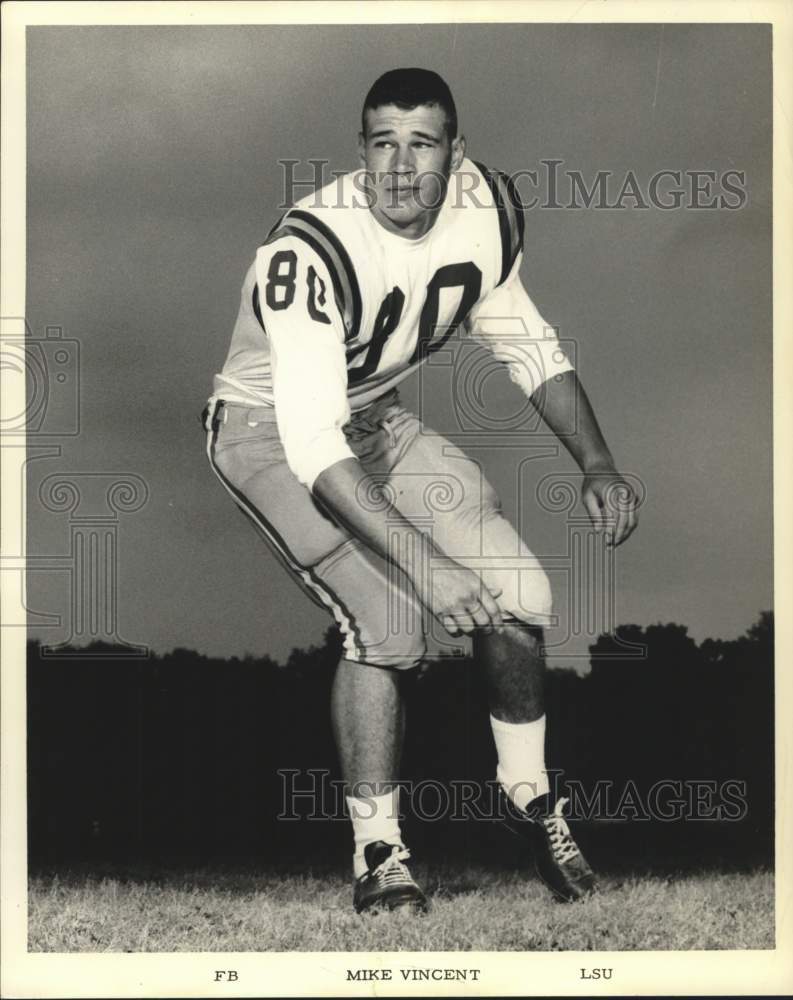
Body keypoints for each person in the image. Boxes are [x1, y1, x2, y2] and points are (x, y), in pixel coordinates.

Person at [203, 68, 639, 914]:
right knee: (392, 625)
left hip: (371, 421)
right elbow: (313, 446)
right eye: (381, 143)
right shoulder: (307, 247)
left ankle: (527, 797)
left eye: (422, 142)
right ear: (360, 151)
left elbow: (528, 345)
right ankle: (379, 851)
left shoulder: (484, 211)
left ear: (457, 153)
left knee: (520, 595)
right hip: (270, 435)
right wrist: (428, 568)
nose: (400, 168)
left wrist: (597, 462)